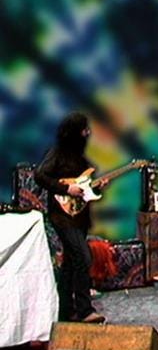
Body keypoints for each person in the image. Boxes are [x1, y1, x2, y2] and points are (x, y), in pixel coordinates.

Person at [35, 112, 107, 323]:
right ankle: (85, 310)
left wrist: (97, 186)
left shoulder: (80, 157)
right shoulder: (57, 153)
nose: (88, 133)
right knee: (83, 257)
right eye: (84, 130)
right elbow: (40, 175)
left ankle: (65, 311)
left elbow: (85, 188)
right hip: (62, 216)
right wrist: (66, 189)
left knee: (70, 263)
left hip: (79, 216)